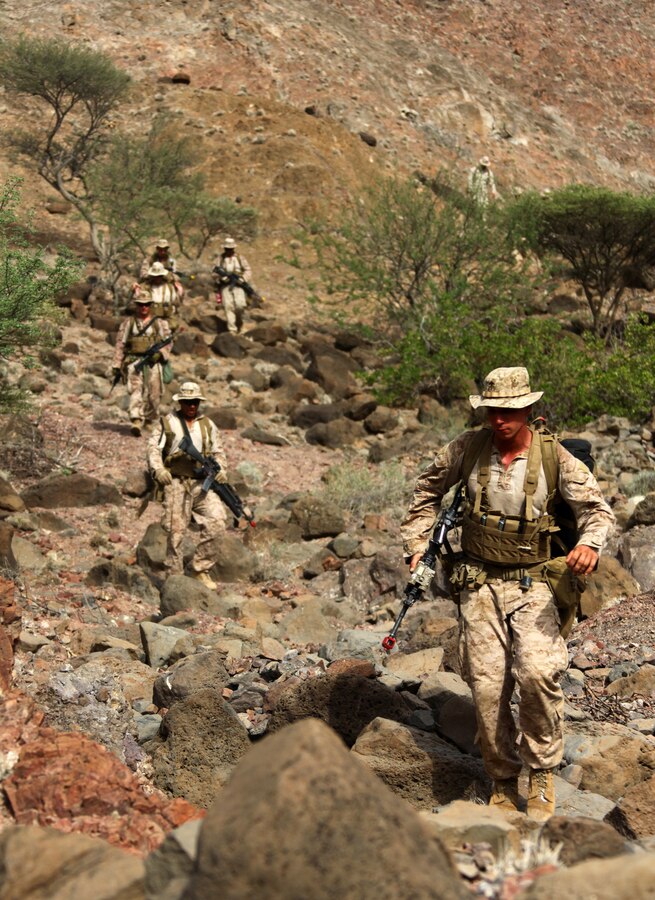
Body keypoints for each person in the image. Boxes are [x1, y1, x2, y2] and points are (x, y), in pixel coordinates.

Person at [401, 367, 615, 821]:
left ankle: (541, 772)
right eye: (495, 410)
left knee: (538, 673)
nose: (501, 420)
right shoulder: (467, 449)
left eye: (511, 411)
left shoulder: (554, 457)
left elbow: (597, 511)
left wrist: (588, 545)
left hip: (535, 582)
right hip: (479, 582)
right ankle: (501, 778)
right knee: (486, 685)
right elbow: (425, 492)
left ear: (529, 410)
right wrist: (418, 546)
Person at [147, 381, 228, 589]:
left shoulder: (208, 425)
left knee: (218, 520)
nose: (192, 406)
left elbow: (218, 452)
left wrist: (222, 471)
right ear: (180, 402)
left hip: (201, 483)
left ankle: (200, 569)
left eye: (195, 402)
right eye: (187, 402)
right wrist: (158, 469)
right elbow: (153, 449)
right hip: (175, 482)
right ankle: (174, 579)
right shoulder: (168, 422)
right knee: (176, 533)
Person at [112, 294, 172, 436]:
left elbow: (168, 342)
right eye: (140, 304)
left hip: (153, 363)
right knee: (135, 390)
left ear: (150, 305)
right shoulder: (129, 323)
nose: (144, 307)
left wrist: (160, 353)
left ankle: (150, 420)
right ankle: (136, 419)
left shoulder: (160, 323)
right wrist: (116, 364)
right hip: (134, 360)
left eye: (146, 304)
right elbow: (121, 343)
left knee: (154, 395)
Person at [213, 236, 252, 334]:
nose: (229, 251)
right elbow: (214, 272)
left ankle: (240, 323)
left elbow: (248, 269)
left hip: (238, 285)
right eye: (227, 249)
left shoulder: (240, 258)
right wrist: (222, 278)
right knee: (228, 306)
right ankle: (232, 329)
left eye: (230, 249)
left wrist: (243, 279)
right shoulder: (220, 259)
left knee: (240, 305)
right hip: (226, 286)